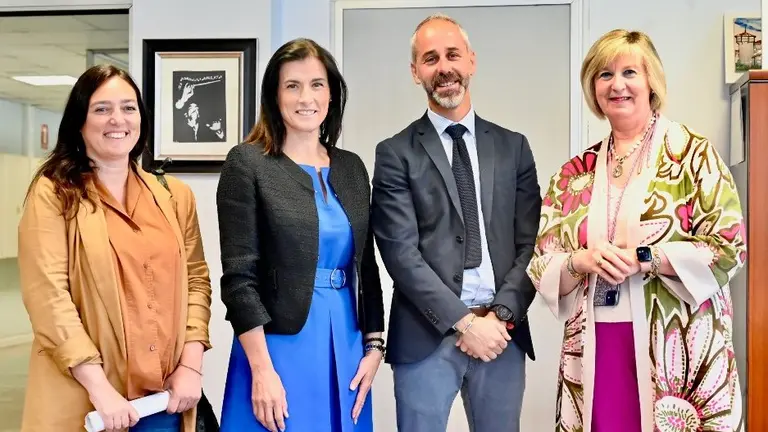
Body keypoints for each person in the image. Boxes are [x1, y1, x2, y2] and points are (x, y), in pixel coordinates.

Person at [526, 29, 747, 431]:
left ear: (651, 82)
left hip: (676, 343)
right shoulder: (574, 173)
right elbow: (542, 262)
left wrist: (647, 258)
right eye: (604, 74)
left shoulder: (694, 155)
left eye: (630, 71)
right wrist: (581, 260)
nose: (617, 84)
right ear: (593, 89)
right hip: (595, 343)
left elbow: (729, 247)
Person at [17, 64, 213, 432]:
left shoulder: (173, 196)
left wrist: (191, 365)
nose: (117, 119)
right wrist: (99, 388)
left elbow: (197, 282)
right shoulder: (54, 194)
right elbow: (48, 297)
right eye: (101, 109)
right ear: (79, 121)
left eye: (128, 107)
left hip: (162, 400)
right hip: (88, 401)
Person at [371, 13, 541, 432]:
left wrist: (499, 317)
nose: (444, 67)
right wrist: (464, 323)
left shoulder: (513, 148)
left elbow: (534, 244)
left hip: (502, 332)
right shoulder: (395, 153)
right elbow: (400, 253)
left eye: (452, 55)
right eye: (430, 59)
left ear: (471, 62)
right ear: (416, 72)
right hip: (425, 337)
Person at [216, 38, 385, 432]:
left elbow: (367, 266)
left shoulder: (351, 167)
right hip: (277, 345)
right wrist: (261, 370)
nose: (305, 97)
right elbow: (239, 279)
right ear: (275, 95)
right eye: (292, 85)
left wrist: (375, 346)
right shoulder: (248, 163)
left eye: (316, 84)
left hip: (347, 338)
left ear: (331, 94)